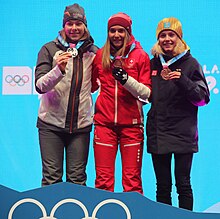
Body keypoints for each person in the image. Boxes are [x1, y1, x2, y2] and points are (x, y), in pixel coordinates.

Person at [146, 17, 210, 210]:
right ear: (158, 40)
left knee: (183, 185)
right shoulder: (152, 64)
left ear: (179, 38)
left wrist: (183, 80)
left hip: (183, 133)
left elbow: (202, 99)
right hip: (158, 131)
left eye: (171, 35)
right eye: (162, 35)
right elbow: (144, 94)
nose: (167, 39)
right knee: (162, 187)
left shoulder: (191, 64)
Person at [35, 3, 98, 186]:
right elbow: (40, 86)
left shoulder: (93, 52)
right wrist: (58, 70)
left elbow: (98, 84)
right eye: (70, 23)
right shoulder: (49, 49)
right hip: (50, 125)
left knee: (77, 181)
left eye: (78, 24)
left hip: (80, 127)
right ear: (64, 25)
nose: (74, 28)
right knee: (51, 179)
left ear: (84, 25)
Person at [92, 12, 151, 194]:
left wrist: (126, 80)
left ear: (128, 32)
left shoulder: (140, 56)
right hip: (104, 125)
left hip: (131, 126)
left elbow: (147, 94)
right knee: (103, 182)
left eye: (121, 31)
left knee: (132, 182)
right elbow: (91, 86)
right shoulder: (100, 56)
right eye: (112, 31)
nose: (116, 35)